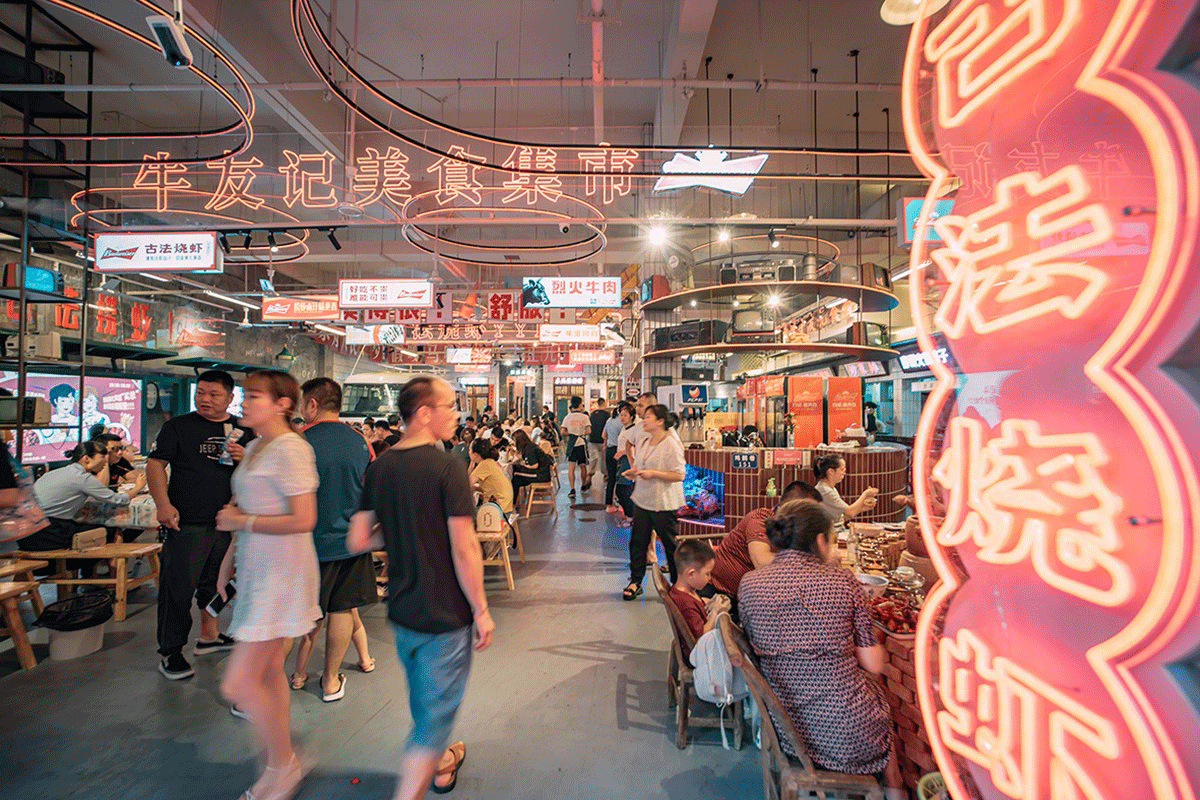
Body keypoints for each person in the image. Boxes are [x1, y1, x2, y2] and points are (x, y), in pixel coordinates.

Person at [346, 376, 493, 800]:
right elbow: (464, 547)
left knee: (425, 698)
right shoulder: (448, 467)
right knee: (431, 722)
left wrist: (400, 531)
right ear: (425, 413)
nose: (457, 415)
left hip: (402, 608)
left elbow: (358, 539)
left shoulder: (380, 466)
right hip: (444, 613)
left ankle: (442, 761)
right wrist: (481, 609)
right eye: (449, 406)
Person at [738, 502, 904, 798]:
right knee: (882, 710)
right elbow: (873, 664)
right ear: (820, 541)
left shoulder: (749, 584)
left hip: (785, 730)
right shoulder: (843, 583)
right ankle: (896, 789)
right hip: (847, 733)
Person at [215, 370, 320, 800]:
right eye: (245, 395)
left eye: (254, 396)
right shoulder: (257, 445)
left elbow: (304, 519)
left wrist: (241, 522)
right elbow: (242, 509)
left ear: (283, 404)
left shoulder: (292, 449)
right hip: (257, 569)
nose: (244, 402)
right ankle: (283, 764)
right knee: (270, 672)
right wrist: (229, 560)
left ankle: (282, 766)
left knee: (238, 685)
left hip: (282, 575)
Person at [148, 370, 254, 680]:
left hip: (226, 522)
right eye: (200, 393)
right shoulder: (178, 426)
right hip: (186, 521)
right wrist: (163, 505)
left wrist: (246, 458)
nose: (205, 399)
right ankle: (170, 651)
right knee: (178, 588)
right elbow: (155, 465)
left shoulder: (243, 430)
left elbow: (258, 473)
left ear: (230, 398)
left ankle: (209, 636)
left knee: (215, 585)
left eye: (213, 394)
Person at [289, 378, 377, 702]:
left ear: (312, 404)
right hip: (351, 541)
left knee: (307, 613)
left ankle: (295, 674)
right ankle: (330, 681)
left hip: (307, 543)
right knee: (342, 609)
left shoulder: (299, 440)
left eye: (303, 402)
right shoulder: (360, 441)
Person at [709, 481, 822, 604]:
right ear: (787, 508)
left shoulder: (797, 530)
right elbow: (761, 563)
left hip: (750, 598)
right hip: (718, 594)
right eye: (808, 513)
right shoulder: (760, 519)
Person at [25, 440, 145, 551]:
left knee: (90, 527)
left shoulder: (54, 473)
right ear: (86, 459)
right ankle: (113, 566)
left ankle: (92, 567)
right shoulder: (82, 478)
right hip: (48, 533)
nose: (105, 462)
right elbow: (118, 500)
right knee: (112, 531)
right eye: (102, 457)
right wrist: (138, 487)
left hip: (26, 532)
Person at [622, 405, 685, 600]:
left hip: (663, 502)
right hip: (643, 500)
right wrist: (634, 472)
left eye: (648, 416)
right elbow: (641, 465)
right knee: (637, 542)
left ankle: (678, 585)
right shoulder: (644, 441)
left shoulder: (671, 444)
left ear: (660, 421)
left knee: (669, 544)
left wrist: (653, 474)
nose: (643, 419)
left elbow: (679, 475)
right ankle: (635, 581)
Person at [667, 539, 729, 663]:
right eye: (707, 574)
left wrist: (710, 602)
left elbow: (697, 606)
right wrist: (716, 611)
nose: (710, 578)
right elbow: (701, 636)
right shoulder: (685, 603)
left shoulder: (686, 591)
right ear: (691, 574)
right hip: (701, 654)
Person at [813, 454, 878, 529]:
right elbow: (850, 512)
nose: (844, 473)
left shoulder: (830, 488)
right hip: (830, 532)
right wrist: (865, 494)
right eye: (842, 470)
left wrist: (861, 507)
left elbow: (842, 516)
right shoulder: (825, 491)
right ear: (831, 471)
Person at [611, 403, 638, 528]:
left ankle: (630, 517)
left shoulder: (634, 430)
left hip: (628, 461)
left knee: (623, 490)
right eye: (621, 415)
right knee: (621, 490)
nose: (622, 418)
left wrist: (622, 453)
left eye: (625, 415)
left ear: (632, 416)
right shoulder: (624, 428)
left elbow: (635, 447)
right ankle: (628, 516)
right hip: (622, 461)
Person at [469, 439, 513, 514]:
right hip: (504, 504)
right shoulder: (490, 462)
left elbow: (467, 484)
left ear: (475, 454)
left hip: (497, 507)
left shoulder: (484, 464)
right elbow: (491, 487)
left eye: (470, 450)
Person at [561, 396, 591, 498]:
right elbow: (589, 431)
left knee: (571, 467)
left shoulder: (567, 417)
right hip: (581, 443)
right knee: (583, 466)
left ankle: (572, 489)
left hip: (572, 445)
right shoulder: (585, 417)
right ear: (579, 404)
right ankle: (583, 485)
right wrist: (581, 433)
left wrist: (571, 434)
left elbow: (562, 431)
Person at [510, 429, 551, 499]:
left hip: (540, 475)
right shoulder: (529, 446)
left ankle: (512, 502)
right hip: (542, 473)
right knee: (515, 475)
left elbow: (534, 466)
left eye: (514, 440)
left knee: (515, 477)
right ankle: (513, 502)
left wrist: (522, 465)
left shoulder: (529, 449)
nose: (514, 443)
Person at [602, 404, 626, 513]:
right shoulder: (622, 423)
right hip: (619, 451)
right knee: (621, 478)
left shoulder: (609, 420)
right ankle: (621, 504)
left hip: (609, 450)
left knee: (611, 478)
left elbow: (603, 435)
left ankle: (609, 505)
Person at [587, 397, 609, 489]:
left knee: (593, 458)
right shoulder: (607, 415)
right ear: (604, 404)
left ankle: (590, 474)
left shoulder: (592, 414)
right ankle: (606, 475)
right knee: (604, 459)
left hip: (592, 439)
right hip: (603, 440)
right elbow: (607, 428)